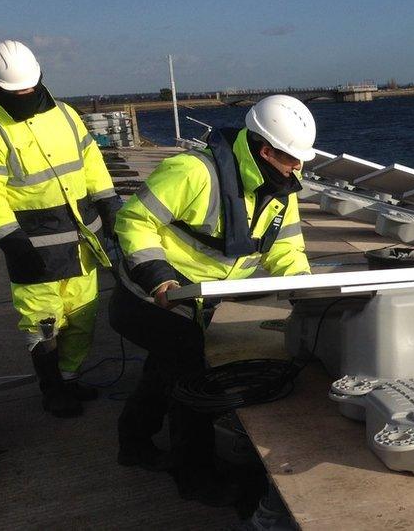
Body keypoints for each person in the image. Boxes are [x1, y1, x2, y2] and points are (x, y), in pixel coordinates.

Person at [111, 94, 314, 505]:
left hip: (202, 302)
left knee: (165, 371)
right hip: (151, 297)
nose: (298, 168)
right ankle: (196, 477)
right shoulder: (193, 171)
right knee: (191, 374)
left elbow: (286, 252)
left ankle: (133, 442)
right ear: (264, 150)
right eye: (291, 159)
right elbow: (134, 220)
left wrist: (310, 296)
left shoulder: (279, 190)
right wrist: (159, 279)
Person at [0, 40, 122, 418]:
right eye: (16, 91)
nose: (25, 95)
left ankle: (71, 378)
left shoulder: (67, 115)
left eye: (28, 87)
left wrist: (108, 203)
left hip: (81, 243)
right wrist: (11, 241)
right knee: (42, 324)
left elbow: (92, 161)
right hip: (33, 249)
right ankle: (52, 389)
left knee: (83, 317)